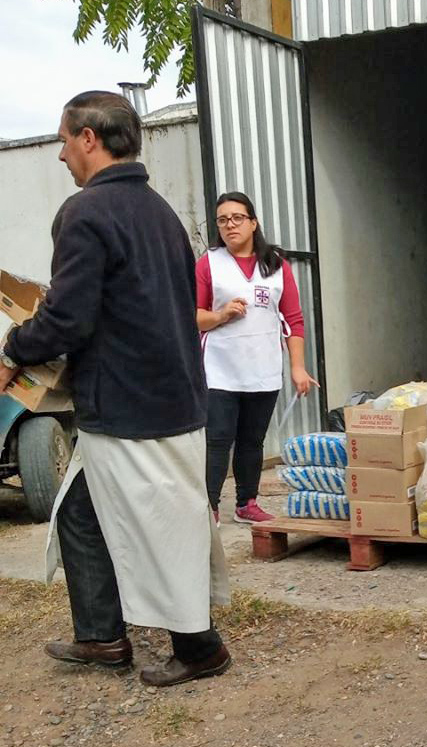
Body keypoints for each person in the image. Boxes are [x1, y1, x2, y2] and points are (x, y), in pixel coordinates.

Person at [0, 91, 231, 686]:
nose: (59, 154)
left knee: (163, 522)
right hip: (170, 393)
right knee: (79, 510)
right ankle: (101, 636)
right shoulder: (160, 213)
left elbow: (70, 319)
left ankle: (200, 648)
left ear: (88, 138)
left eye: (62, 139)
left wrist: (13, 351)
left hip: (128, 402)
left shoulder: (85, 212)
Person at [196, 192, 317, 524]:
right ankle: (210, 509)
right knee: (218, 439)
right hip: (220, 369)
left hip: (263, 368)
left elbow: (293, 319)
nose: (230, 225)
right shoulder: (209, 263)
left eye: (237, 218)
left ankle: (246, 503)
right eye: (222, 220)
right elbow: (193, 316)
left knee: (252, 439)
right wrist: (220, 315)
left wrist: (297, 367)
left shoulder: (275, 264)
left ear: (253, 223)